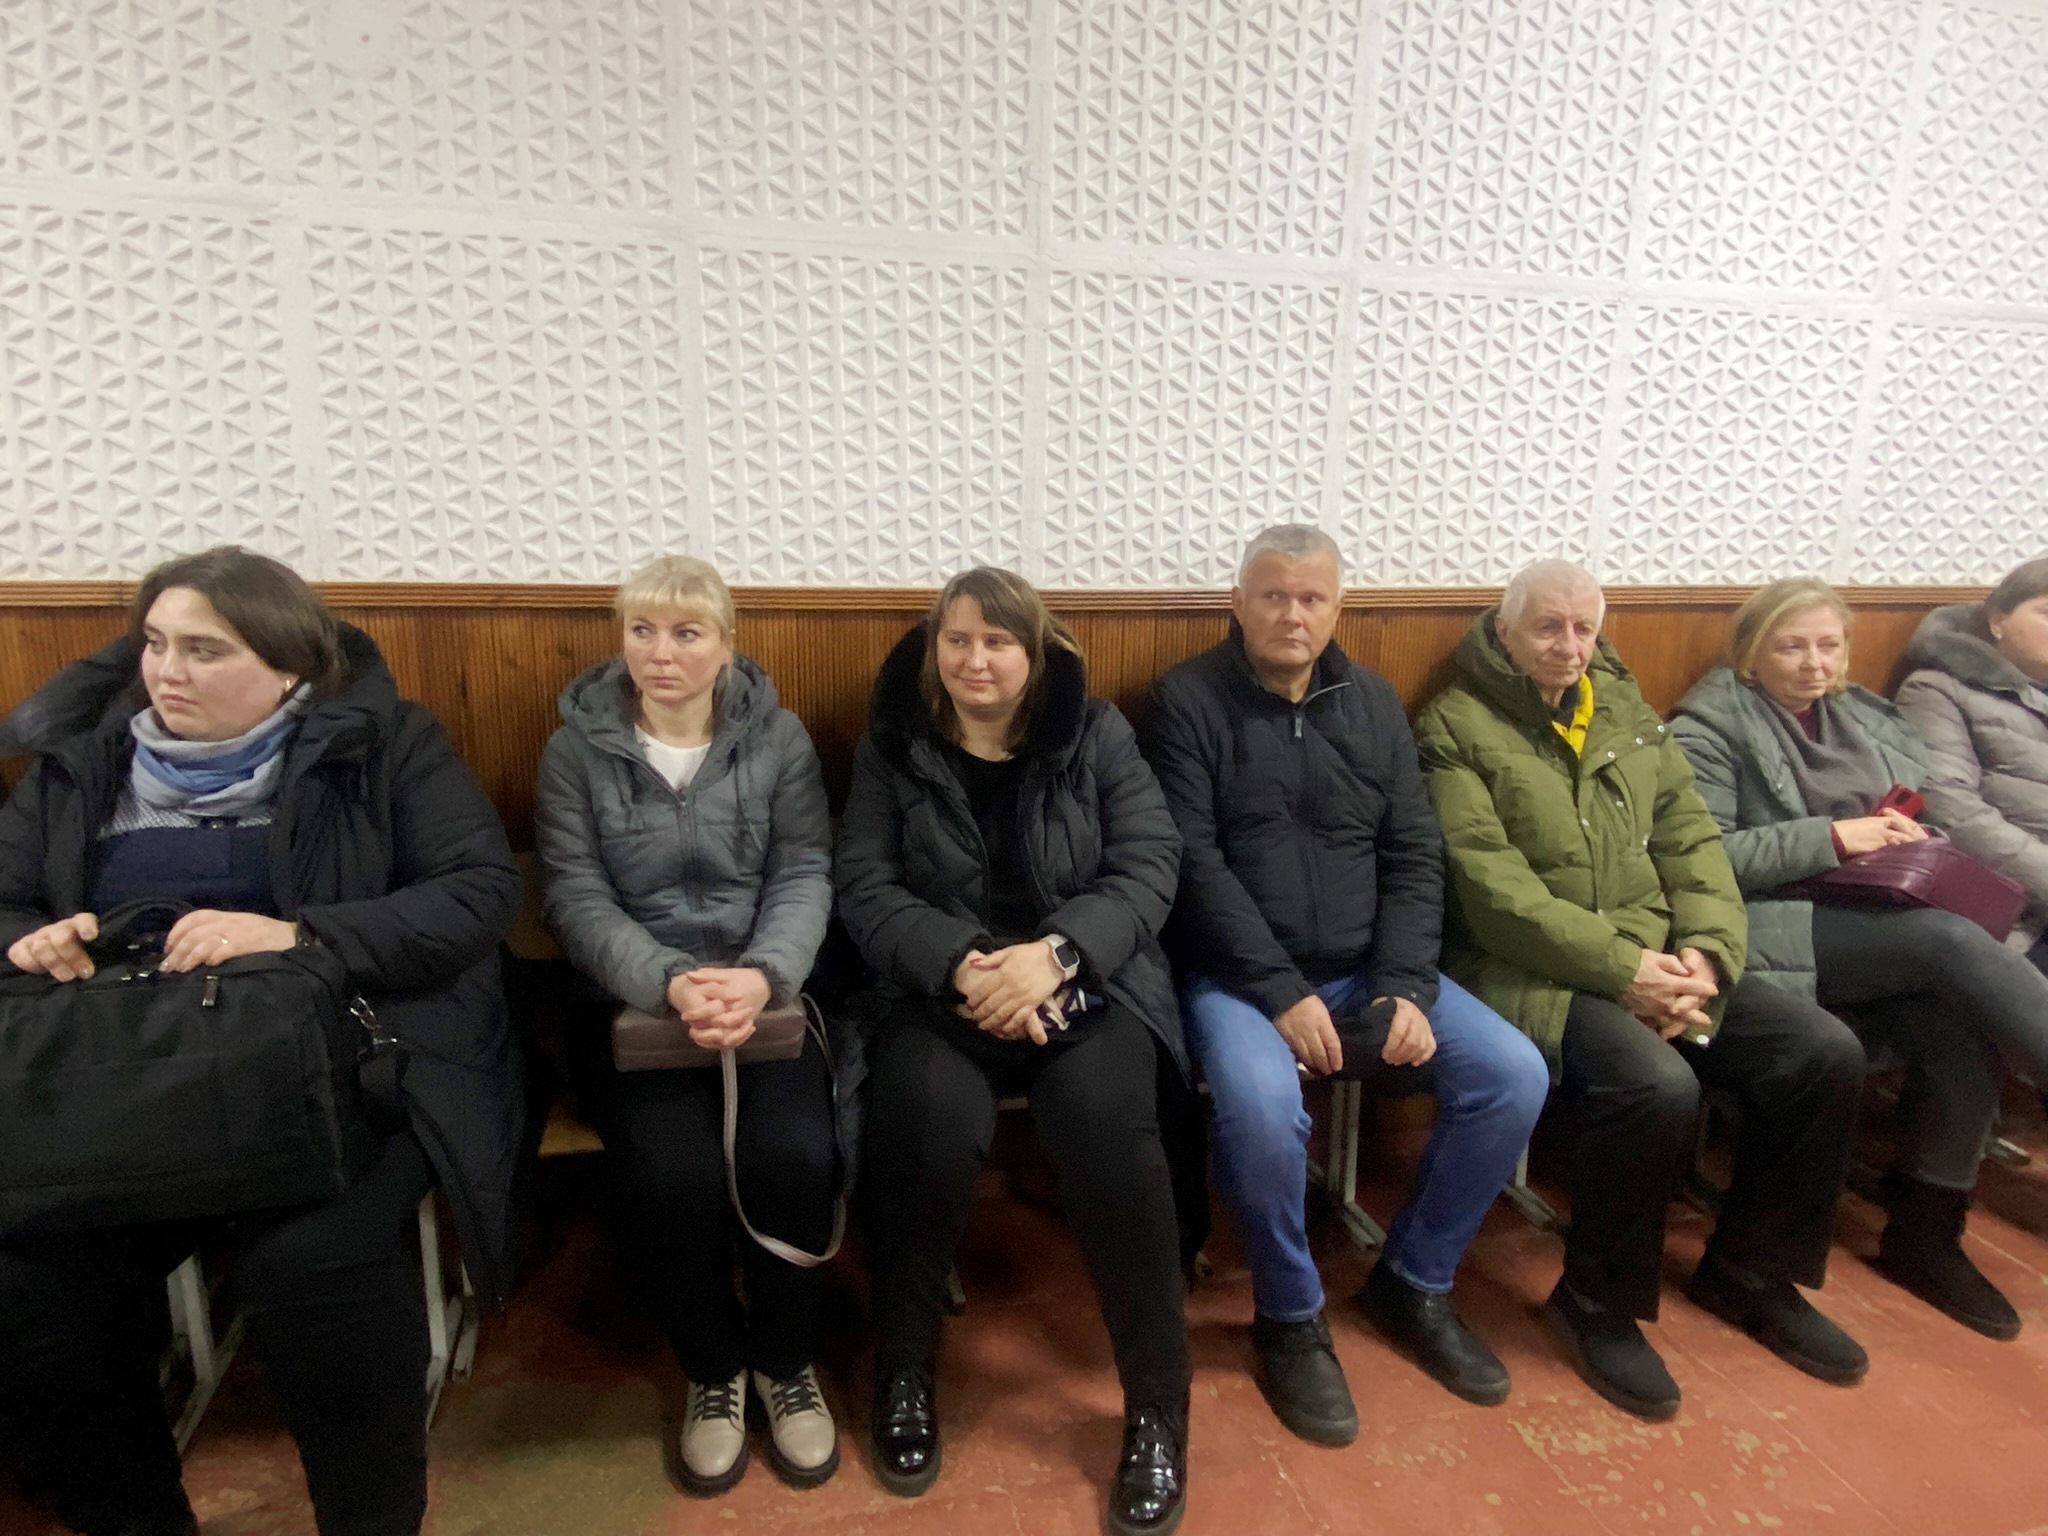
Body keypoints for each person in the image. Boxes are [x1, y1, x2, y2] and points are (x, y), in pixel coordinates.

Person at [0, 546, 520, 1536]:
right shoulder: (84, 765)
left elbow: (475, 893)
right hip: (123, 1078)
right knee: (34, 1282)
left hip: (333, 1067)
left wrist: (300, 934)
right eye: (155, 643)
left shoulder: (385, 742)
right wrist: (32, 940)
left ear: (288, 668)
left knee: (315, 1267)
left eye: (205, 650)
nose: (168, 671)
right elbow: (6, 901)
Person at [1413, 560, 1869, 1422]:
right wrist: (1623, 970)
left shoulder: (1626, 713)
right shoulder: (1455, 726)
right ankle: (1597, 1303)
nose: (1569, 646)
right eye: (1548, 627)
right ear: (1504, 632)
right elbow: (1491, 893)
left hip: (1661, 957)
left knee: (1820, 1053)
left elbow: (1692, 842)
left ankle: (1751, 1272)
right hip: (1530, 968)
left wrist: (1707, 952)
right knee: (1654, 1086)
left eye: (1584, 628)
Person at [1141, 524, 1547, 1437]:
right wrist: (1280, 991)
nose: (1292, 614)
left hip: (1369, 968)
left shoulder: (1373, 703)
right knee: (1260, 1110)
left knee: (1514, 1075)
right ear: (1237, 603)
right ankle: (1289, 1316)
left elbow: (1413, 853)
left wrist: (1403, 985)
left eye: (1311, 598)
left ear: (1337, 608)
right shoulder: (1185, 701)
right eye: (1273, 596)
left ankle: (1413, 1281)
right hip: (1238, 980)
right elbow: (1192, 865)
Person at [835, 567, 1191, 1536]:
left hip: (1084, 981)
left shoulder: (1096, 733)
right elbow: (864, 885)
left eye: (998, 642)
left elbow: (1149, 864)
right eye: (957, 640)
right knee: (921, 1124)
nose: (975, 660)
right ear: (933, 650)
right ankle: (903, 1370)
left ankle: (1157, 1407)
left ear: (1034, 654)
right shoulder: (894, 743)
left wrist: (1056, 955)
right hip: (939, 988)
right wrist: (965, 966)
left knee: (1110, 1131)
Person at [1672, 576, 2048, 1341]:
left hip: (1869, 913)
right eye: (1792, 646)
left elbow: (1919, 807)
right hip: (1765, 922)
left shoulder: (1862, 717)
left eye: (1829, 644)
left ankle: (1927, 1233)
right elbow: (1703, 859)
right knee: (1947, 942)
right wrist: (1836, 837)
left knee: (1955, 1012)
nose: (1814, 663)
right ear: (1751, 651)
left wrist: (1910, 837)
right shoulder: (1706, 727)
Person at [535, 556, 839, 1494]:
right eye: (642, 631)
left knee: (797, 1158)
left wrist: (761, 975)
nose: (660, 653)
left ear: (726, 646)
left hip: (764, 1001)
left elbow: (804, 872)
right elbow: (574, 896)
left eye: (685, 632)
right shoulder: (575, 751)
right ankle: (713, 1369)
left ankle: (784, 1362)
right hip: (635, 1009)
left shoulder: (779, 738)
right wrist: (668, 981)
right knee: (673, 1176)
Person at [1896, 557, 2048, 982]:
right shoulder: (1936, 690)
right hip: (2022, 914)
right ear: (1998, 620)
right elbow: (1952, 809)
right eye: (2047, 612)